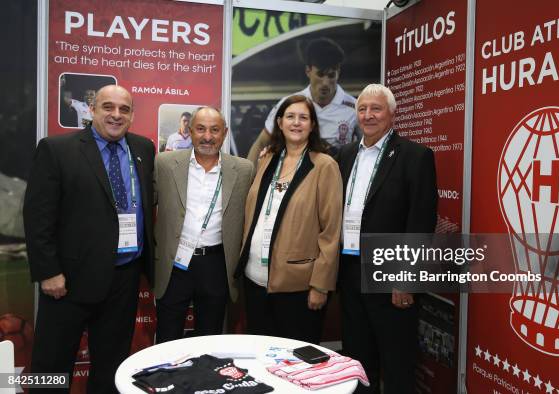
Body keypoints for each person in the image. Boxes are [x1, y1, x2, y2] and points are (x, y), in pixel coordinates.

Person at [24, 85, 155, 393]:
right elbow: (37, 216)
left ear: (132, 115)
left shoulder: (143, 149)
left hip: (124, 277)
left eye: (124, 109)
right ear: (92, 110)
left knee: (111, 366)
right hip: (67, 280)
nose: (116, 115)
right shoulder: (57, 149)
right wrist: (48, 272)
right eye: (108, 107)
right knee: (51, 367)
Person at [336, 84, 438, 394]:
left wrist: (406, 279)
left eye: (376, 109)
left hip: (389, 275)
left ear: (392, 114)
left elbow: (421, 222)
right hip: (349, 270)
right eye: (362, 109)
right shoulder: (345, 154)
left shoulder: (415, 156)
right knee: (357, 361)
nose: (368, 115)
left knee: (397, 364)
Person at [235, 94, 342, 344]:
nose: (296, 123)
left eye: (303, 117)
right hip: (255, 280)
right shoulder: (267, 158)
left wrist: (320, 285)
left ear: (312, 125)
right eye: (290, 117)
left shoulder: (324, 165)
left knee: (295, 363)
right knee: (261, 356)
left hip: (299, 288)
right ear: (279, 122)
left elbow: (331, 231)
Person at [154, 107, 254, 342]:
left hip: (216, 265)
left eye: (214, 130)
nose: (207, 136)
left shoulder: (243, 170)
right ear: (190, 131)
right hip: (175, 264)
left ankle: (203, 379)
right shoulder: (165, 164)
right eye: (200, 129)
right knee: (168, 336)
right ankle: (166, 378)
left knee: (209, 338)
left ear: (225, 133)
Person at [246, 38, 359, 162]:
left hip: (336, 176)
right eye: (320, 75)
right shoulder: (291, 104)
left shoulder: (354, 107)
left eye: (331, 75)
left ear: (339, 73)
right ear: (308, 71)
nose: (325, 83)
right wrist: (249, 179)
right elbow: (261, 143)